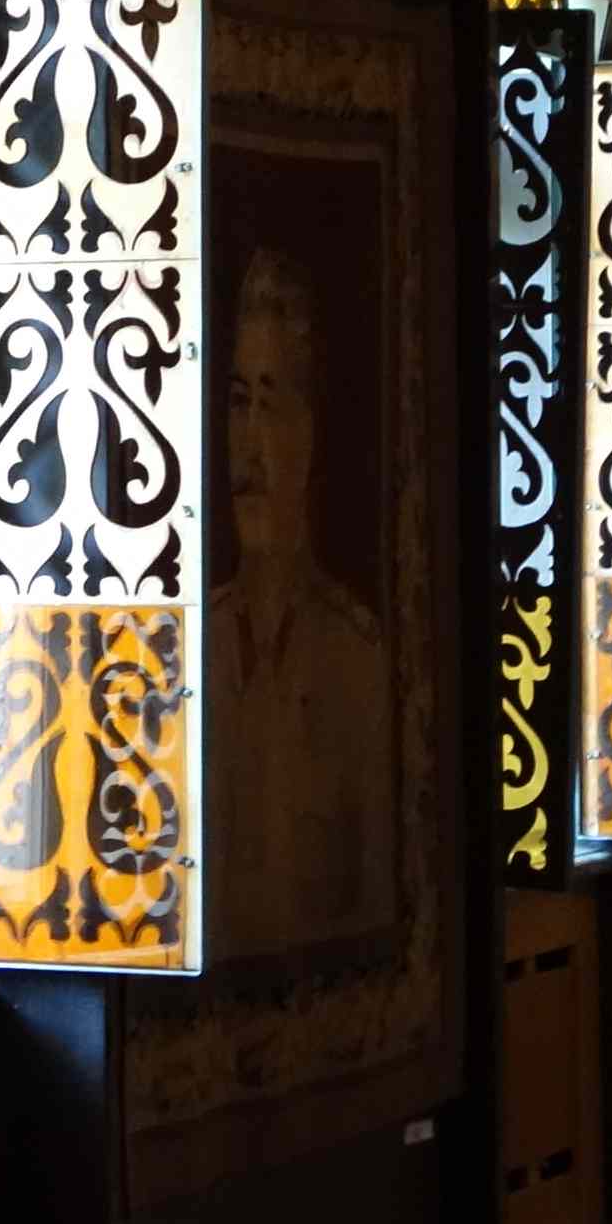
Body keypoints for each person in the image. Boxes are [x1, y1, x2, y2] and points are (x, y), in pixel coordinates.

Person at [207, 237, 394, 949]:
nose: (249, 444)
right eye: (238, 403)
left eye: (275, 406)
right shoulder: (188, 651)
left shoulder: (357, 661)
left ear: (315, 428)